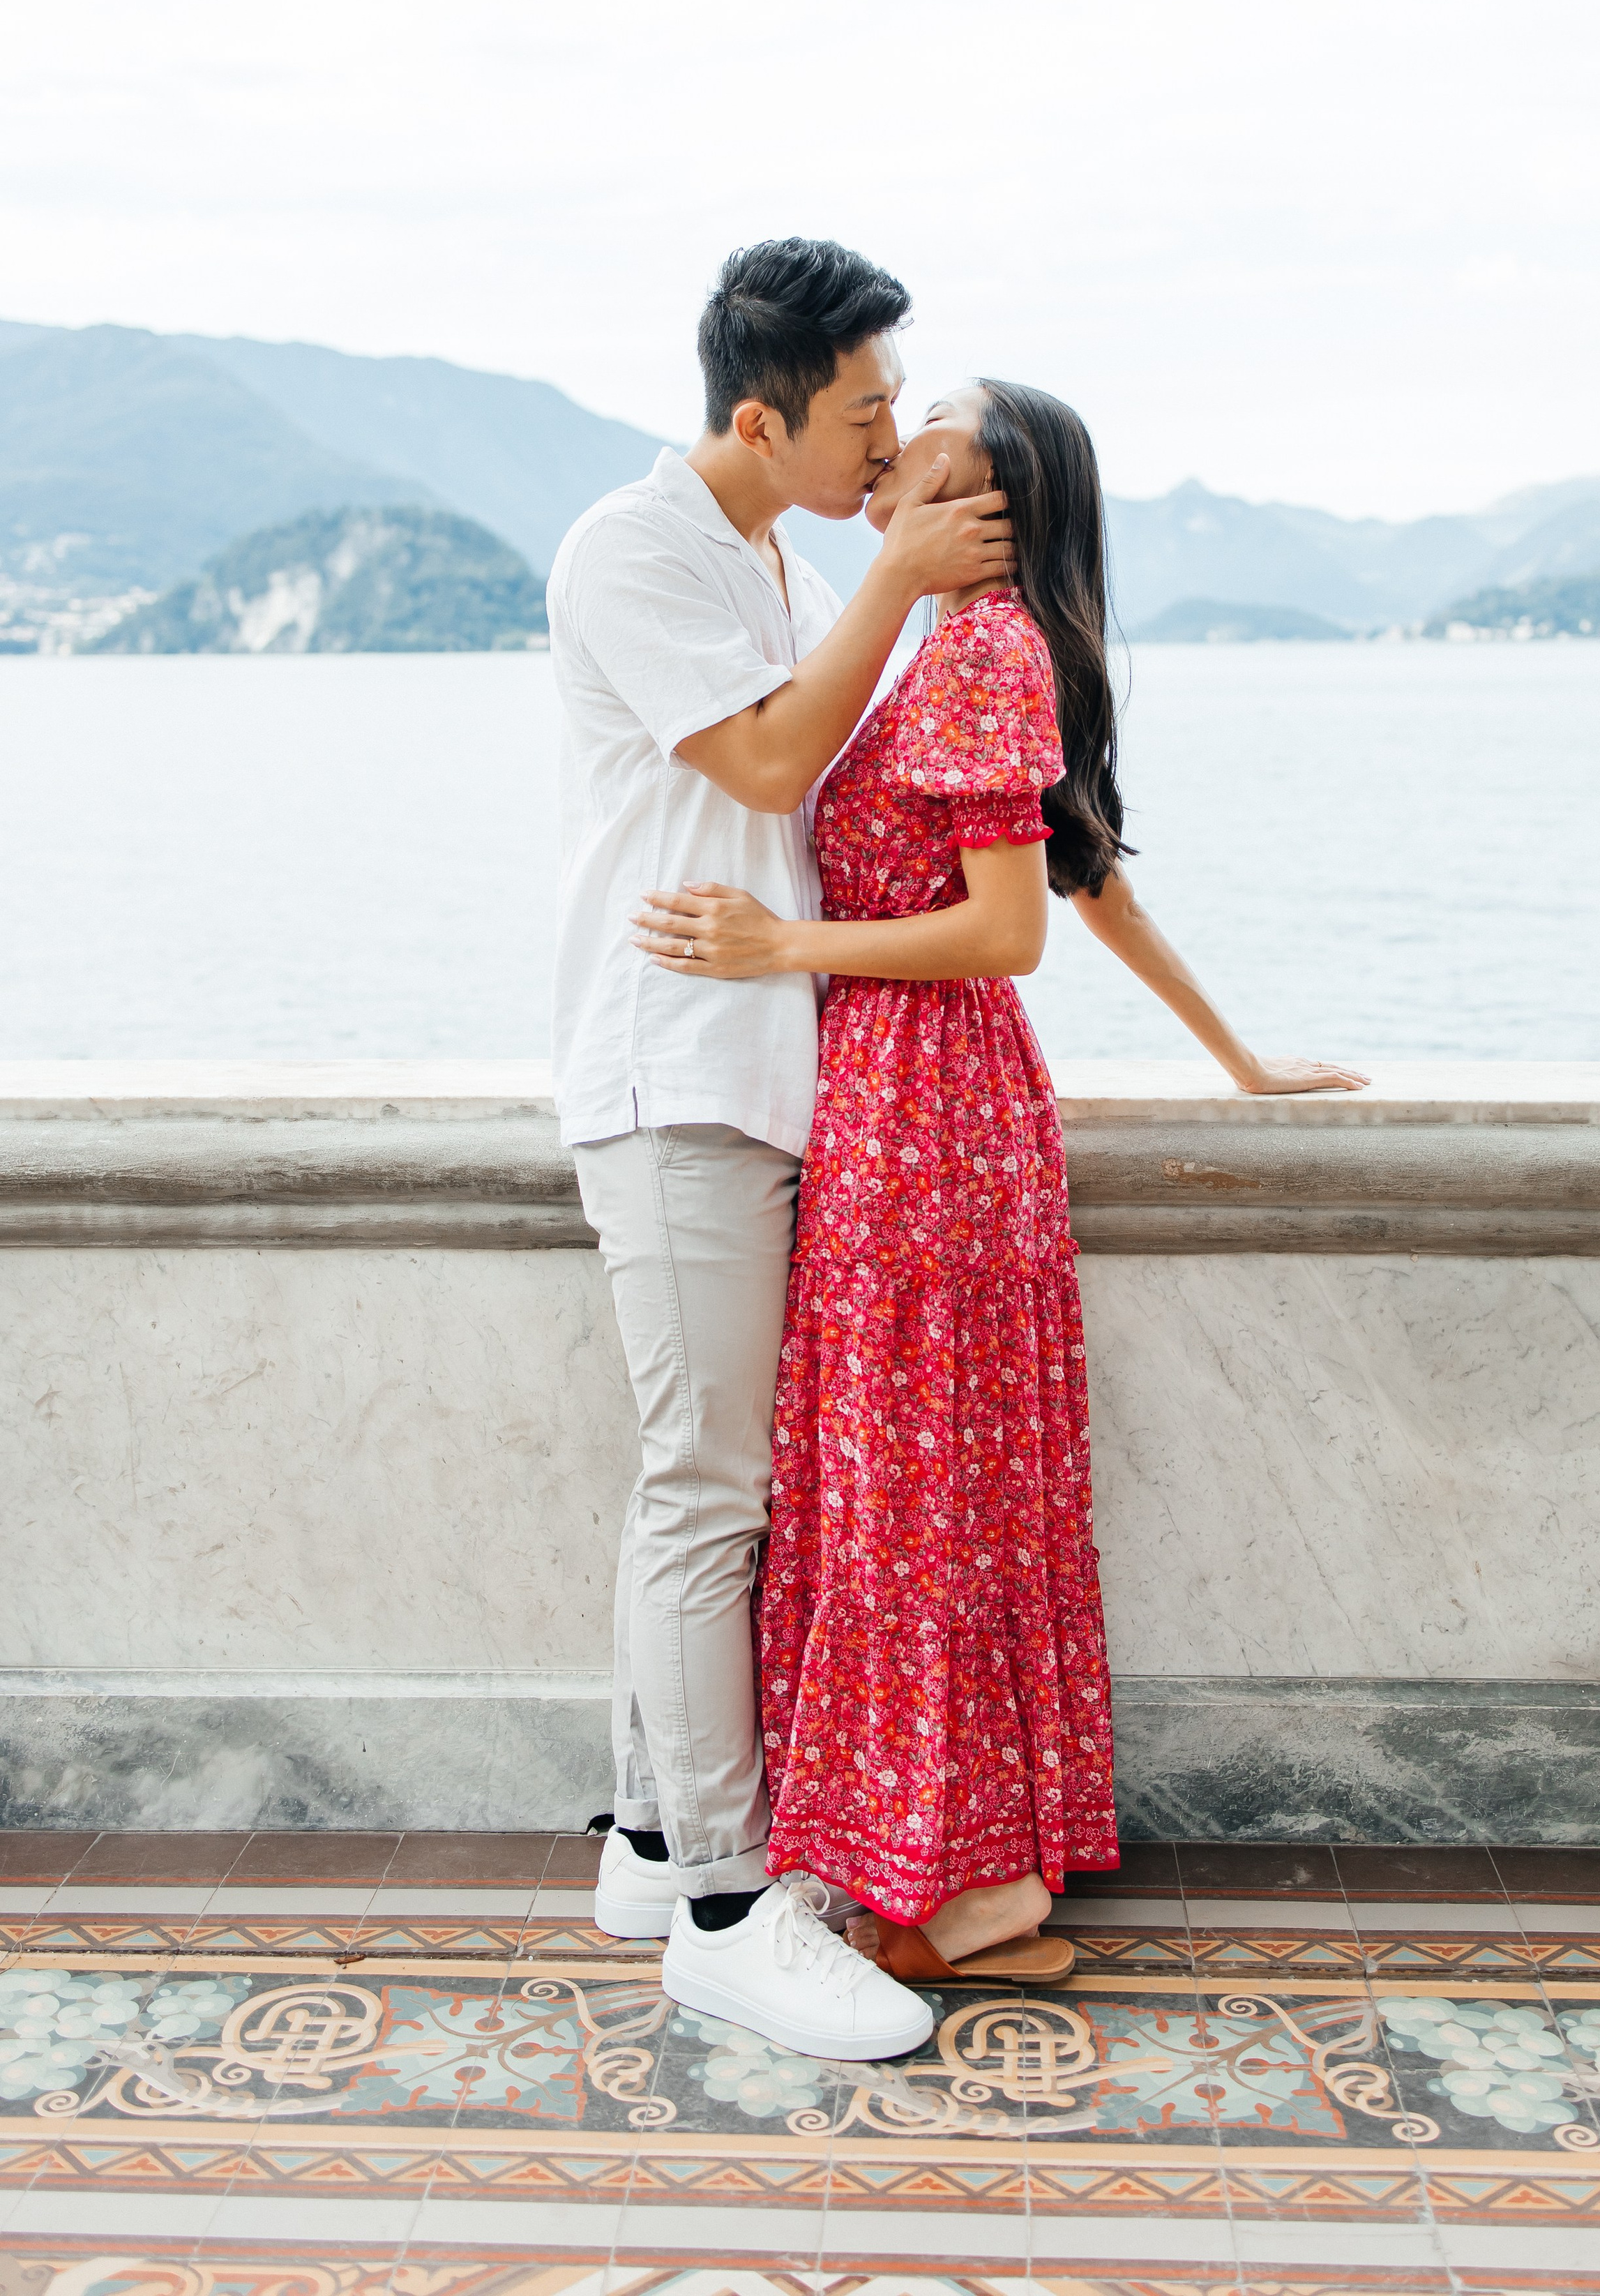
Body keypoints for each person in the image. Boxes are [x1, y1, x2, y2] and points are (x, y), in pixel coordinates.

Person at [633, 379, 1366, 2030]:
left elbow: (1007, 926)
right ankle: (975, 1877)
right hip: (931, 1105)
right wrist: (1237, 1054)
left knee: (913, 1494)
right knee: (946, 1486)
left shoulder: (972, 649)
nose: (905, 427)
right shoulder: (951, 638)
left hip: (918, 1104)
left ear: (999, 490)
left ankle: (939, 1893)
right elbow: (1084, 861)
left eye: (941, 414)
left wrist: (780, 949)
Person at [548, 242, 1012, 2064]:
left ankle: (655, 1847)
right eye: (863, 413)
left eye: (897, 409)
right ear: (760, 415)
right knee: (704, 1491)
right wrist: (898, 580)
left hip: (756, 1072)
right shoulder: (635, 546)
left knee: (701, 1481)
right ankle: (733, 1915)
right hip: (673, 1075)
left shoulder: (780, 561)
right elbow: (761, 764)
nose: (884, 438)